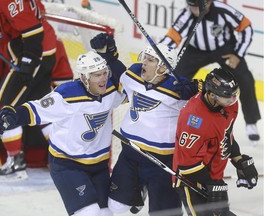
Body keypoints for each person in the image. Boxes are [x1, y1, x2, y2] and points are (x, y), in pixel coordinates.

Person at [0, 49, 127, 215]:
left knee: (108, 212)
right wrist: (13, 116)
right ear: (84, 78)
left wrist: (112, 57)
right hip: (68, 165)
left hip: (99, 166)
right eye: (97, 75)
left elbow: (132, 88)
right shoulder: (66, 95)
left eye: (105, 73)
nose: (104, 78)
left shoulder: (110, 91)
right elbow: (36, 109)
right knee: (89, 213)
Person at [90, 33, 200, 215]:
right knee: (117, 207)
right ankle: (138, 190)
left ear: (163, 67)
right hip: (130, 154)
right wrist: (108, 55)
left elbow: (213, 102)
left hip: (162, 162)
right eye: (145, 58)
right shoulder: (134, 73)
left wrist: (197, 88)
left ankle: (145, 187)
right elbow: (119, 74)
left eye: (150, 60)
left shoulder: (180, 89)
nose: (144, 63)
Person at [159, 0, 261, 145]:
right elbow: (172, 36)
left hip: (224, 50)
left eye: (198, 6)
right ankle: (168, 116)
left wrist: (238, 54)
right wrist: (158, 53)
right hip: (195, 51)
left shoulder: (223, 11)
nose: (194, 10)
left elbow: (246, 26)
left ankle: (251, 122)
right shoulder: (187, 14)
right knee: (175, 79)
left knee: (245, 79)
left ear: (208, 2)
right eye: (192, 7)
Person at [0, 0, 57, 180]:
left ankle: (16, 162)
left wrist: (28, 64)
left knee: (4, 106)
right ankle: (65, 157)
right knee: (41, 109)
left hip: (34, 53)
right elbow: (11, 21)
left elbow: (32, 31)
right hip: (43, 50)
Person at [173, 67, 258, 215]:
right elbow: (186, 164)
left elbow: (226, 134)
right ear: (212, 95)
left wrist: (238, 159)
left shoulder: (229, 104)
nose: (232, 100)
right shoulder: (193, 119)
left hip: (214, 178)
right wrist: (213, 184)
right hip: (192, 180)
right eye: (227, 96)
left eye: (234, 95)